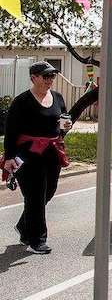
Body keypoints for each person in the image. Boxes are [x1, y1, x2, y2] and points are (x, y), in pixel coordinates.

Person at [2, 61, 71, 254]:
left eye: (52, 76)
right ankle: (37, 240)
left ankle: (24, 226)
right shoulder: (22, 101)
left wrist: (65, 127)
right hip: (28, 153)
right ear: (34, 77)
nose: (50, 80)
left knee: (49, 191)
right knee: (34, 196)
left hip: (51, 152)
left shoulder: (57, 97)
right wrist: (9, 157)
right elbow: (11, 131)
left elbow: (61, 123)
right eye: (46, 76)